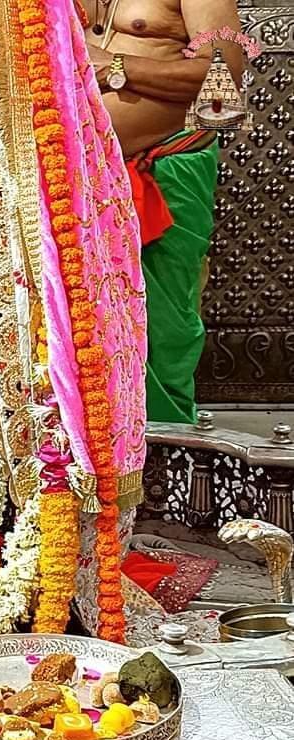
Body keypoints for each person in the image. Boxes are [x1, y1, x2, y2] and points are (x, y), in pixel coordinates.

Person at [82, 0, 243, 423]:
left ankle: (163, 445)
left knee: (161, 327)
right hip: (73, 178)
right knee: (82, 332)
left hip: (165, 170)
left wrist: (116, 68)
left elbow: (225, 81)